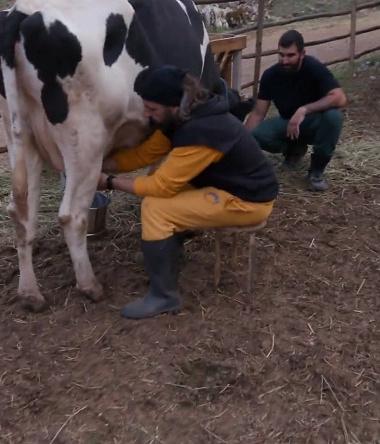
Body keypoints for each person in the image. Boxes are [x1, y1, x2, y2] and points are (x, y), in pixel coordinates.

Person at [98, 64, 279, 320]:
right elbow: (144, 154)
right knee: (155, 185)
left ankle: (164, 295)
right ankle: (168, 253)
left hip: (247, 200)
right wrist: (99, 164)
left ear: (172, 104)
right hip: (224, 185)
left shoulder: (202, 130)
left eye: (152, 109)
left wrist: (109, 182)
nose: (147, 115)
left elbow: (162, 186)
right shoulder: (182, 116)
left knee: (155, 206)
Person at [245, 29, 348, 192]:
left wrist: (304, 109)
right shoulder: (270, 75)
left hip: (313, 123)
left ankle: (316, 172)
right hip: (288, 124)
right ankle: (294, 150)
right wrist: (241, 143)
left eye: (290, 55)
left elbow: (340, 98)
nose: (284, 60)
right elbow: (258, 113)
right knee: (257, 134)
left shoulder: (313, 67)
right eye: (281, 55)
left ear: (302, 54)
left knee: (334, 116)